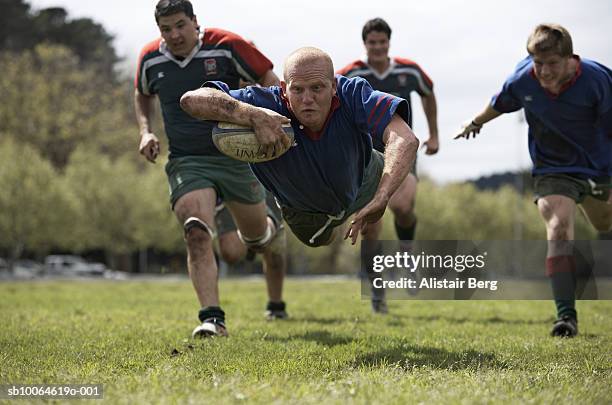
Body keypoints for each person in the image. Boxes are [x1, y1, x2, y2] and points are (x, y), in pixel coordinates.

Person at [134, 0, 288, 338]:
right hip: (187, 161)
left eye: (180, 25)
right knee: (195, 231)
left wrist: (274, 123)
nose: (174, 35)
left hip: (236, 157)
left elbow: (269, 78)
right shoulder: (149, 58)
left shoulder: (228, 46)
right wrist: (146, 130)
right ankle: (212, 319)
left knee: (254, 241)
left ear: (195, 22)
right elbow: (142, 93)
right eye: (166, 29)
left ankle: (269, 225)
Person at [455, 23, 612, 337]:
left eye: (552, 64)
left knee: (604, 224)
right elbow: (500, 102)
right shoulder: (523, 79)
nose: (544, 71)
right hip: (552, 169)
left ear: (570, 58)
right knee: (558, 227)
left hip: (599, 168)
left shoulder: (598, 80)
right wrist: (475, 122)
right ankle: (565, 317)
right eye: (538, 64)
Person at [180, 47, 419, 253]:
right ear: (284, 88)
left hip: (366, 176)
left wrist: (382, 196)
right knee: (322, 241)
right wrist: (252, 116)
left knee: (402, 189)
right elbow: (191, 100)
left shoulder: (352, 93)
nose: (307, 99)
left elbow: (405, 139)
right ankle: (273, 231)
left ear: (334, 86)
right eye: (298, 90)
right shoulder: (263, 102)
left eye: (317, 88)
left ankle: (397, 257)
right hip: (304, 211)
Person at [337, 18, 439, 313]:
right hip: (365, 156)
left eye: (382, 42)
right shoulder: (352, 73)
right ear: (365, 44)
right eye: (372, 43)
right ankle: (377, 291)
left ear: (388, 43)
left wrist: (434, 133)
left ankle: (407, 258)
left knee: (404, 206)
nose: (378, 47)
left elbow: (428, 92)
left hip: (400, 150)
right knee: (371, 226)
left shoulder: (408, 70)